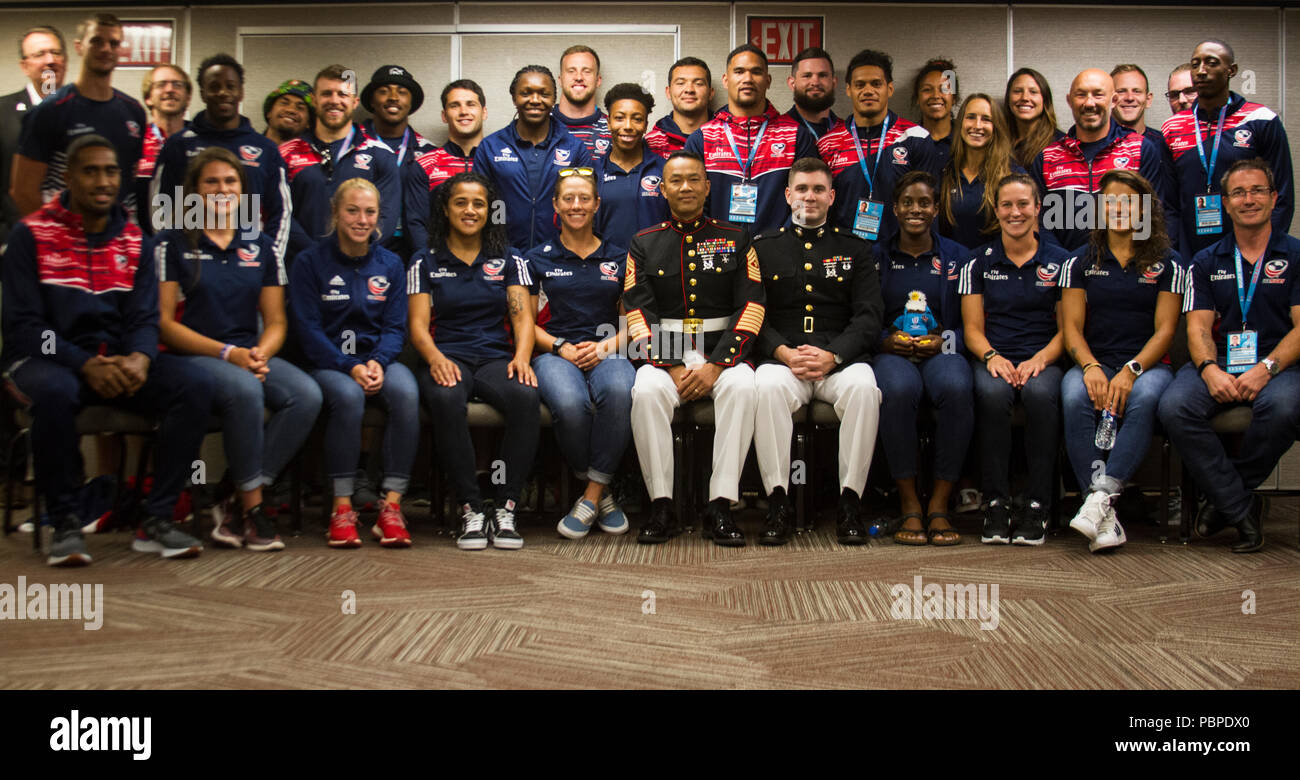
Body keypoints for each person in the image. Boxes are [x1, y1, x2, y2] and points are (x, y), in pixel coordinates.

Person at [2, 135, 210, 565]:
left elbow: (143, 320)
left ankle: (156, 519)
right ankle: (65, 522)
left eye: (111, 171)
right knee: (54, 394)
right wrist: (83, 364)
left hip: (116, 359)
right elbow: (25, 328)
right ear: (68, 177)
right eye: (91, 170)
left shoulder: (135, 240)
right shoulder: (31, 235)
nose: (103, 181)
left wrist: (140, 357)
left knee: (194, 387)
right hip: (46, 358)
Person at [154, 146, 322, 551]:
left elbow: (277, 321)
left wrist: (260, 353)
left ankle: (234, 490)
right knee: (246, 391)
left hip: (249, 354)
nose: (222, 189)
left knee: (307, 395)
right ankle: (252, 510)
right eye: (211, 181)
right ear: (193, 190)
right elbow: (162, 323)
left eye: (230, 182)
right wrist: (230, 355)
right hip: (192, 357)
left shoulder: (260, 244)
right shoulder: (171, 243)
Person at [1158, 159, 1300, 554]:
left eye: (1257, 191)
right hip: (1218, 360)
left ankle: (1225, 502)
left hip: (1279, 364)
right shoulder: (1205, 261)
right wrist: (1208, 369)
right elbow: (1198, 328)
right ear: (1224, 203)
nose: (1248, 199)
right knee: (1174, 407)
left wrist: (1266, 368)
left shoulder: (1296, 255)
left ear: (1274, 198)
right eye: (1238, 193)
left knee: (1286, 406)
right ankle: (1240, 504)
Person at [625, 151, 764, 546]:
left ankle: (720, 504)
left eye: (693, 179)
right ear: (663, 188)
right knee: (646, 392)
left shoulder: (737, 237)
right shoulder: (644, 243)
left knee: (743, 387)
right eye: (676, 181)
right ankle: (661, 505)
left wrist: (717, 365)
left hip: (722, 352)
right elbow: (637, 312)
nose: (685, 187)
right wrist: (671, 366)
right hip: (666, 353)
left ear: (707, 186)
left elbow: (752, 305)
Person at [753, 158, 881, 545]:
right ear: (788, 195)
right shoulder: (762, 248)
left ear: (832, 196)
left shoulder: (855, 249)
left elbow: (869, 316)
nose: (810, 196)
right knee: (766, 387)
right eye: (802, 189)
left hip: (838, 363)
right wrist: (782, 353)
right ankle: (778, 500)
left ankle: (850, 502)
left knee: (864, 388)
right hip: (784, 361)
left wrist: (834, 355)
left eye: (818, 189)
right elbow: (751, 315)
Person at [408, 172, 538, 551]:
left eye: (479, 203)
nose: (470, 210)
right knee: (447, 399)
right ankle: (470, 506)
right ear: (446, 210)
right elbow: (416, 326)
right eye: (461, 203)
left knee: (526, 397)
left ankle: (505, 505)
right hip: (447, 355)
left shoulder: (508, 258)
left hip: (496, 357)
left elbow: (521, 317)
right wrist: (434, 357)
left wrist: (522, 358)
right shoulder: (425, 259)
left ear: (489, 210)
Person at [290, 178, 417, 548]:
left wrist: (377, 361)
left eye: (370, 212)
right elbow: (307, 330)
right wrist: (350, 366)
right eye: (352, 210)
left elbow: (396, 327)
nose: (361, 219)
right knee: (348, 397)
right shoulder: (309, 262)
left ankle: (391, 507)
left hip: (378, 359)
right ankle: (341, 507)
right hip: (328, 363)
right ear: (335, 212)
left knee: (407, 392)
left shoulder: (391, 264)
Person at [1060, 169, 1182, 552]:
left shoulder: (1168, 263)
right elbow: (1072, 328)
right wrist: (1091, 366)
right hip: (1095, 362)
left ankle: (1099, 499)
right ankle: (1104, 514)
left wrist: (1131, 370)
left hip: (1148, 367)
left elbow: (1165, 331)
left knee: (1145, 397)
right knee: (1074, 396)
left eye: (1129, 201)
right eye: (1110, 200)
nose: (1119, 208)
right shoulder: (1079, 261)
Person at [959, 172, 1071, 546]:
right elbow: (972, 328)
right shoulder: (978, 262)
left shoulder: (1062, 262)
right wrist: (991, 356)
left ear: (1038, 208)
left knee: (1040, 396)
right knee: (992, 395)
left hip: (1046, 358)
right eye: (1006, 204)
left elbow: (1070, 327)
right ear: (996, 209)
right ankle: (995, 502)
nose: (1015, 212)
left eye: (1023, 204)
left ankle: (1037, 504)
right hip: (994, 357)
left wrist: (1042, 358)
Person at [527, 168, 634, 539]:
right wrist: (560, 347)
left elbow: (632, 323)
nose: (576, 205)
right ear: (555, 205)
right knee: (572, 405)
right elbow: (524, 324)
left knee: (621, 393)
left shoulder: (619, 258)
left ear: (597, 205)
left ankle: (589, 495)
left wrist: (604, 347)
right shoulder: (536, 258)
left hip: (609, 350)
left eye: (584, 198)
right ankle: (603, 493)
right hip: (555, 353)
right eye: (568, 198)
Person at [873, 171, 972, 545]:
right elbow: (865, 316)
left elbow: (974, 324)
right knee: (897, 391)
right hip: (890, 352)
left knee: (957, 387)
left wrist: (943, 342)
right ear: (895, 209)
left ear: (935, 209)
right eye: (908, 203)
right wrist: (885, 341)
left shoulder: (959, 258)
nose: (916, 210)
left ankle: (940, 505)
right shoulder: (877, 256)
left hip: (942, 350)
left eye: (925, 203)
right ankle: (910, 501)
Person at [150, 54, 290, 264]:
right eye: (214, 86)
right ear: (203, 93)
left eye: (230, 86)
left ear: (240, 92)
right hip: (192, 263)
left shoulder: (265, 149)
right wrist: (174, 260)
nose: (223, 93)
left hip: (248, 263)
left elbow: (282, 212)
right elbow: (160, 206)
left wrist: (268, 261)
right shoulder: (178, 145)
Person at [1161, 39, 1293, 260]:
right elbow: (1169, 203)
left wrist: (1265, 251)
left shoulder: (1261, 119)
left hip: (1252, 252)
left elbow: (1282, 195)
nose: (1201, 71)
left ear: (1231, 70)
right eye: (1195, 64)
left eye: (1211, 63)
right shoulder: (1172, 127)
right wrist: (1175, 253)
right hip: (1190, 253)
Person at [11, 13, 145, 219]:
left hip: (119, 241)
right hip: (65, 239)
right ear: (79, 46)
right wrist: (54, 239)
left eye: (114, 43)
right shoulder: (50, 110)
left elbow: (128, 182)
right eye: (96, 41)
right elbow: (23, 192)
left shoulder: (134, 111)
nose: (106, 49)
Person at [1031, 68, 1176, 250]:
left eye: (1098, 95)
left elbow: (1151, 216)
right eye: (1081, 95)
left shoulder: (1140, 149)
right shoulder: (1047, 158)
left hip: (1124, 270)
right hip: (1066, 270)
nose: (1089, 103)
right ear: (1069, 100)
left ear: (1113, 100)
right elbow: (1040, 223)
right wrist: (1064, 262)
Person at [685, 44, 817, 235]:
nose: (747, 79)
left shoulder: (795, 135)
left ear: (768, 80)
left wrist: (782, 242)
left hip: (780, 252)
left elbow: (807, 198)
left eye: (756, 72)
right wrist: (716, 240)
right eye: (739, 71)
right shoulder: (702, 138)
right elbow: (692, 200)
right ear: (725, 79)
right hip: (720, 251)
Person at [819, 48, 940, 241]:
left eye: (876, 84)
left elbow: (931, 207)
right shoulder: (828, 143)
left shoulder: (915, 137)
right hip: (845, 253)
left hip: (900, 253)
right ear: (849, 89)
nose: (868, 91)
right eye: (860, 85)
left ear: (889, 88)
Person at [279, 64, 400, 258]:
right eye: (327, 94)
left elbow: (386, 218)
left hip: (360, 269)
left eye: (342, 95)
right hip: (301, 267)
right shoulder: (286, 153)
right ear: (314, 100)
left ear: (354, 102)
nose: (334, 101)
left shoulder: (380, 155)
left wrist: (350, 254)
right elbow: (279, 214)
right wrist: (315, 255)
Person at [473, 65, 592, 252]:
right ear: (514, 97)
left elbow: (587, 206)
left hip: (558, 257)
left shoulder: (574, 148)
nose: (535, 100)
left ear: (554, 98)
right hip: (503, 254)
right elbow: (479, 204)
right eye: (526, 93)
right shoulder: (490, 147)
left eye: (544, 94)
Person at [1, 25, 67, 244]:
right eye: (40, 54)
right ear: (24, 66)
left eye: (56, 53)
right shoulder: (2, 113)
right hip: (14, 243)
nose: (50, 60)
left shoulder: (84, 112)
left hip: (74, 246)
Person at [405, 79, 484, 251]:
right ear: (444, 115)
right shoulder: (425, 164)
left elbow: (501, 213)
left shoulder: (497, 162)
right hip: (439, 266)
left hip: (487, 266)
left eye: (471, 104)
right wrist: (432, 264)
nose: (463, 111)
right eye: (455, 105)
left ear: (484, 112)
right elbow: (417, 223)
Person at [939, 92, 1024, 249]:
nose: (977, 125)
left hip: (994, 270)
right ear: (960, 123)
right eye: (970, 117)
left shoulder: (1013, 176)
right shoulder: (945, 171)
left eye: (986, 119)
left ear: (996, 127)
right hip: (953, 267)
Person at [360, 64, 427, 259]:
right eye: (383, 91)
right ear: (372, 101)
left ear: (411, 102)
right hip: (362, 243)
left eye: (402, 92)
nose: (393, 97)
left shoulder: (428, 150)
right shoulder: (351, 146)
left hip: (411, 247)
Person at [594, 82, 668, 249]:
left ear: (646, 125)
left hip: (653, 269)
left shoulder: (664, 170)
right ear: (608, 123)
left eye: (637, 119)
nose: (627, 126)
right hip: (607, 271)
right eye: (619, 118)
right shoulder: (594, 173)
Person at [134, 64, 190, 227]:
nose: (170, 89)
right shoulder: (134, 140)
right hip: (141, 241)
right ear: (148, 98)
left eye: (177, 85)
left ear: (188, 97)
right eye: (161, 85)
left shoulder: (201, 141)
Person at [646, 56, 713, 158]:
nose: (689, 90)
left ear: (710, 93)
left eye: (698, 83)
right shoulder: (651, 143)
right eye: (681, 83)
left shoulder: (727, 136)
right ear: (668, 92)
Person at [554, 45, 611, 159]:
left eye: (587, 71)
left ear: (598, 80)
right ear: (560, 80)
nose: (579, 77)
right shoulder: (541, 125)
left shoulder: (613, 129)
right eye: (571, 71)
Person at [1003, 67, 1062, 168]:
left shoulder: (1060, 145)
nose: (1025, 98)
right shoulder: (1000, 141)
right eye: (1017, 91)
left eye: (1033, 92)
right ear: (1008, 98)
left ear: (1045, 100)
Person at [785, 47, 838, 139]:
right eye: (807, 76)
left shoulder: (849, 131)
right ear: (792, 83)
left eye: (823, 75)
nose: (815, 82)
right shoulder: (776, 132)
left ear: (834, 83)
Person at [913, 58, 957, 168]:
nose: (936, 96)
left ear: (954, 98)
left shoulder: (965, 139)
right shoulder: (908, 141)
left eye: (944, 89)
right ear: (917, 98)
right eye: (927, 89)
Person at [1111, 64, 1165, 147]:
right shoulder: (1094, 143)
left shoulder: (1165, 144)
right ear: (1110, 99)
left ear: (1148, 100)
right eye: (1121, 91)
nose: (1129, 98)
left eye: (1137, 91)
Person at [262, 78, 313, 145]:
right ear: (269, 112)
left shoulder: (316, 155)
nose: (291, 110)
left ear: (308, 123)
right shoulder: (247, 148)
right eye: (284, 103)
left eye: (300, 108)